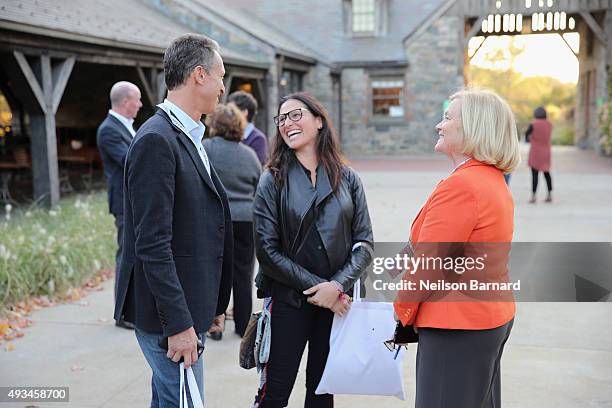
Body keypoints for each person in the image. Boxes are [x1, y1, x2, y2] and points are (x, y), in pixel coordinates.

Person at [113, 34, 233, 407]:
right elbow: (151, 243)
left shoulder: (189, 133)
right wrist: (180, 324)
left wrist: (212, 304)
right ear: (199, 74)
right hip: (167, 318)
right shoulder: (157, 140)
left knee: (171, 401)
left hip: (187, 308)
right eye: (220, 75)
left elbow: (198, 226)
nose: (223, 86)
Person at [394, 88, 521, 408]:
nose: (439, 125)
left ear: (474, 128)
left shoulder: (462, 185)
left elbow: (428, 264)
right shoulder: (491, 179)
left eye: (448, 118)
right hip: (485, 318)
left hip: (456, 325)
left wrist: (400, 313)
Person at [252, 92, 374, 408]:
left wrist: (336, 286)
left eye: (296, 115)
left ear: (318, 120)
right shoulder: (272, 179)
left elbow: (364, 243)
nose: (287, 123)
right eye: (281, 118)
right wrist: (315, 288)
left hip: (336, 303)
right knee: (274, 392)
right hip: (289, 302)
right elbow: (267, 250)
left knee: (322, 392)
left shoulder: (348, 178)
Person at [203, 103, 262, 340]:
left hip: (215, 219)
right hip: (246, 221)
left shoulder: (206, 148)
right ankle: (242, 326)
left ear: (214, 125)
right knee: (243, 273)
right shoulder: (249, 155)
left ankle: (214, 325)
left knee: (213, 272)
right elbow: (258, 187)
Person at [96, 80, 142, 330]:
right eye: (137, 99)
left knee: (133, 254)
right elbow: (129, 162)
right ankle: (122, 314)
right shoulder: (109, 130)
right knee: (126, 255)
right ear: (126, 102)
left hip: (133, 201)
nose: (141, 104)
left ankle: (131, 307)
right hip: (124, 202)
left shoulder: (126, 127)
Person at [227, 90, 269, 165]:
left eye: (232, 111)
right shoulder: (228, 133)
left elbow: (257, 170)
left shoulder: (258, 139)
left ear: (244, 112)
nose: (228, 114)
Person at [526, 106, 553, 203]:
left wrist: (531, 139)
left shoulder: (533, 124)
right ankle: (549, 194)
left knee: (534, 174)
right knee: (547, 173)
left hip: (535, 152)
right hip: (546, 151)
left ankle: (533, 196)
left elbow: (527, 137)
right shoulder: (549, 124)